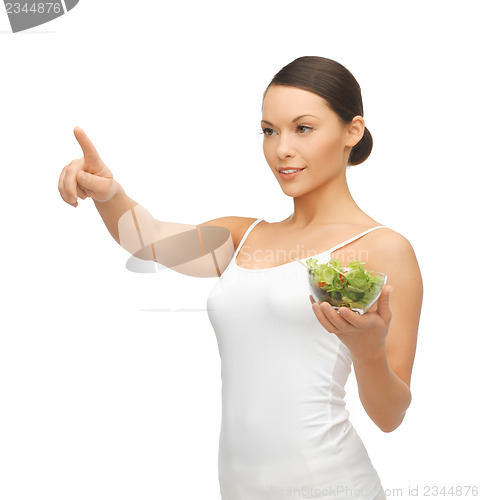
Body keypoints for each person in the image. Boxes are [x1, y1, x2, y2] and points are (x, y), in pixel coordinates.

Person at [58, 55, 423, 500]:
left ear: (353, 130)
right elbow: (148, 241)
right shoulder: (242, 235)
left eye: (303, 128)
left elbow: (391, 416)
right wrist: (109, 192)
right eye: (269, 131)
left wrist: (368, 352)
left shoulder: (384, 248)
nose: (281, 148)